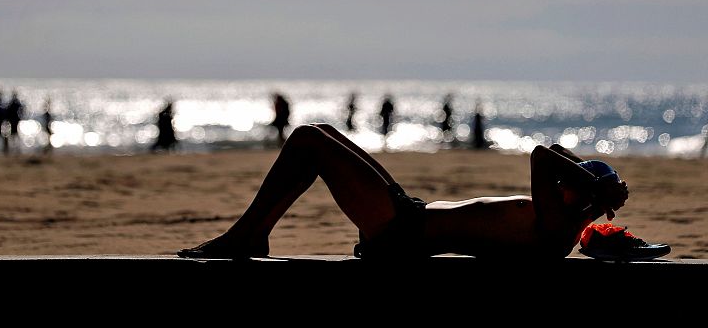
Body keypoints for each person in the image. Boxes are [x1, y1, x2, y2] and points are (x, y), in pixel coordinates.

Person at [177, 123, 651, 260]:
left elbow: (541, 155)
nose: (562, 183)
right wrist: (598, 185)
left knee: (307, 140)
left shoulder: (556, 225)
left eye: (572, 184)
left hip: (400, 230)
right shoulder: (560, 220)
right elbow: (555, 152)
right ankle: (252, 233)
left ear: (579, 198)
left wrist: (599, 188)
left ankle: (249, 235)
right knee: (320, 131)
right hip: (409, 216)